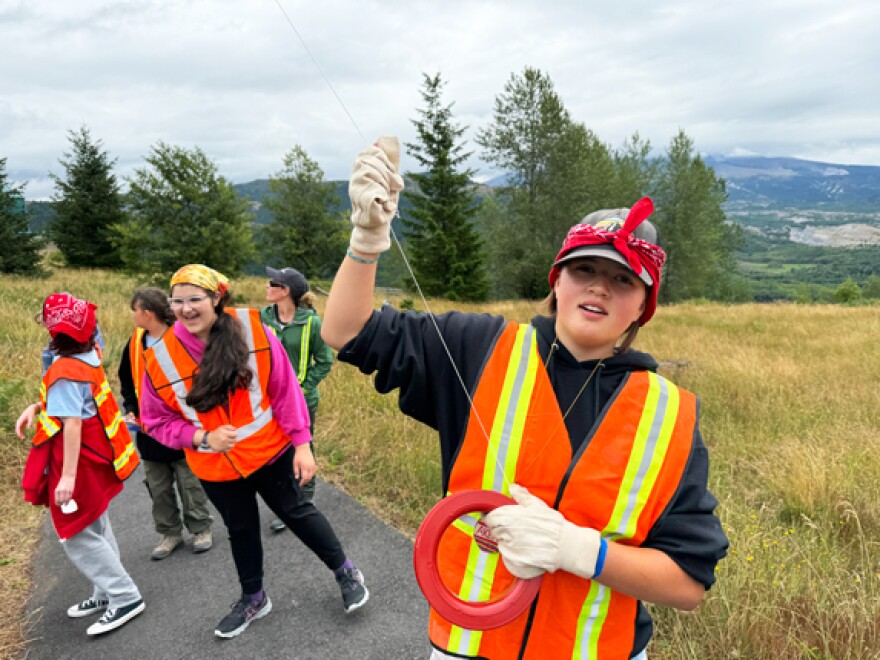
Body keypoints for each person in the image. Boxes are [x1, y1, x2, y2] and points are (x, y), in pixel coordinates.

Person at [320, 137, 728, 660]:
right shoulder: (479, 347)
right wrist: (366, 241)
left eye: (622, 279)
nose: (599, 288)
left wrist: (577, 550)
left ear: (643, 307)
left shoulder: (670, 414)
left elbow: (687, 585)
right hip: (469, 646)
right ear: (557, 280)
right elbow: (346, 330)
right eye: (585, 270)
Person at [139, 264, 368, 639]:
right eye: (177, 301)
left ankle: (345, 571)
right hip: (215, 465)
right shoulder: (159, 357)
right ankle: (254, 598)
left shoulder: (252, 331)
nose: (186, 309)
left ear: (216, 298)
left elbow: (285, 390)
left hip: (269, 452)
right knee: (241, 530)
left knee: (298, 513)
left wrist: (302, 444)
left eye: (195, 299)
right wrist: (200, 438)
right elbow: (156, 420)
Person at [17, 293, 146, 637]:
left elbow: (72, 421)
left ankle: (124, 596)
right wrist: (37, 407)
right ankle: (105, 592)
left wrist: (67, 478)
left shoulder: (63, 370)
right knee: (97, 525)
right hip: (98, 452)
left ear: (55, 330)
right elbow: (74, 402)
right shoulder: (89, 352)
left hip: (78, 460)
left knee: (74, 531)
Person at [118, 287, 213, 560]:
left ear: (147, 313)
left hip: (182, 426)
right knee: (158, 486)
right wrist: (132, 409)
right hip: (149, 430)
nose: (133, 316)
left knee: (189, 482)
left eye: (134, 310)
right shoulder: (136, 340)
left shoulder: (182, 337)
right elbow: (127, 378)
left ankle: (201, 528)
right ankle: (170, 533)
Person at [262, 266, 335, 532]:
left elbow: (325, 360)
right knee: (277, 449)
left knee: (302, 448)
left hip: (302, 401)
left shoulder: (312, 323)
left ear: (286, 291)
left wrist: (302, 388)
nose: (266, 286)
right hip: (268, 401)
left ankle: (303, 501)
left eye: (273, 283)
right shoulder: (262, 318)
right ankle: (285, 497)